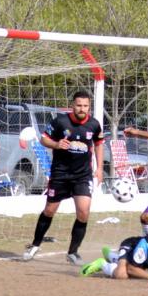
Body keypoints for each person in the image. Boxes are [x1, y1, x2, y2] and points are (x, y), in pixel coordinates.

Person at [22, 90, 104, 265]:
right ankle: (35, 244)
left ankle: (73, 252)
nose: (82, 109)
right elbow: (44, 139)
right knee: (50, 210)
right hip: (60, 174)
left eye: (85, 106)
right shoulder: (60, 121)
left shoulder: (94, 124)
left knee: (83, 212)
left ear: (89, 106)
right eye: (79, 105)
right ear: (73, 105)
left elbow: (98, 144)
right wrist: (57, 144)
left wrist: (100, 169)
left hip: (83, 175)